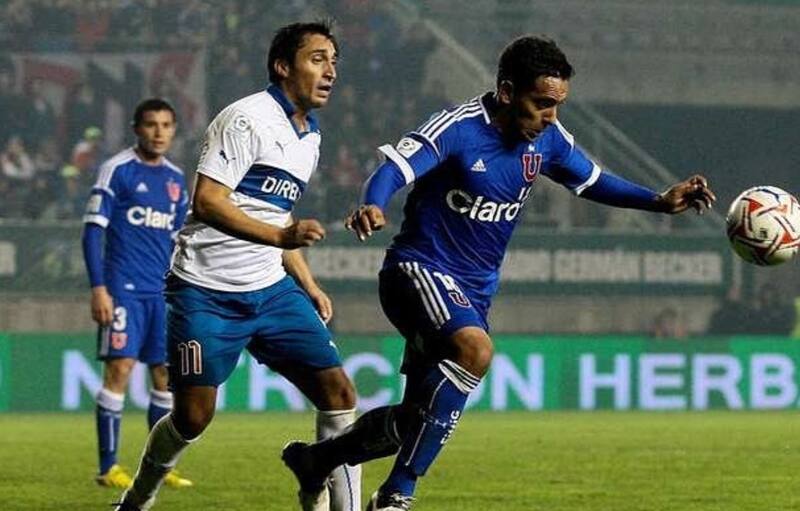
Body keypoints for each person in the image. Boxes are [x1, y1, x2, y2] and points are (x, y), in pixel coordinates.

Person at [280, 35, 716, 510]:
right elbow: (394, 169)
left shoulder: (546, 139)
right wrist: (372, 203)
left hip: (473, 291)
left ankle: (318, 460)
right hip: (416, 270)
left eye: (557, 106)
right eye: (542, 103)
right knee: (476, 350)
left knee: (416, 420)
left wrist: (657, 200)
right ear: (507, 92)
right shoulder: (459, 127)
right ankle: (396, 496)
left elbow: (591, 180)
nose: (550, 115)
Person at [114, 21, 361, 511]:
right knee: (193, 417)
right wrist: (280, 237)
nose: (330, 70)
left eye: (334, 60)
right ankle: (137, 499)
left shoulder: (309, 136)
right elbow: (207, 201)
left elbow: (277, 215)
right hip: (205, 292)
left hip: (272, 290)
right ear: (283, 66)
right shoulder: (245, 119)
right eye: (317, 58)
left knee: (339, 392)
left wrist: (306, 281)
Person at [81, 98, 191, 489]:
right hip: (123, 290)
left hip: (162, 294)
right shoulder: (117, 170)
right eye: (150, 124)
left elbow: (181, 239)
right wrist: (99, 289)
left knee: (164, 378)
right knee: (120, 370)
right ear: (136, 128)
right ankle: (108, 467)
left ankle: (160, 467)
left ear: (174, 129)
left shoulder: (177, 180)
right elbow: (93, 231)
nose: (159, 132)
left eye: (166, 125)